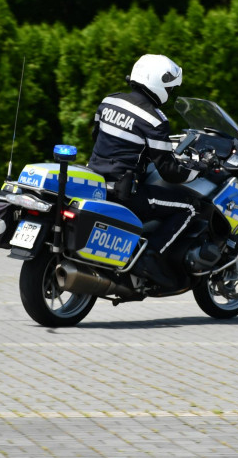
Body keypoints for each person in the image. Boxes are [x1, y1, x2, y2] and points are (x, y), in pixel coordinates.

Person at [87, 54, 202, 291]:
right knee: (190, 207)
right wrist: (197, 170)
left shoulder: (109, 101)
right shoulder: (154, 119)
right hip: (125, 193)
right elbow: (169, 171)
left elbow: (97, 136)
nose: (170, 92)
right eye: (170, 88)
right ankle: (151, 257)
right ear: (158, 84)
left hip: (96, 183)